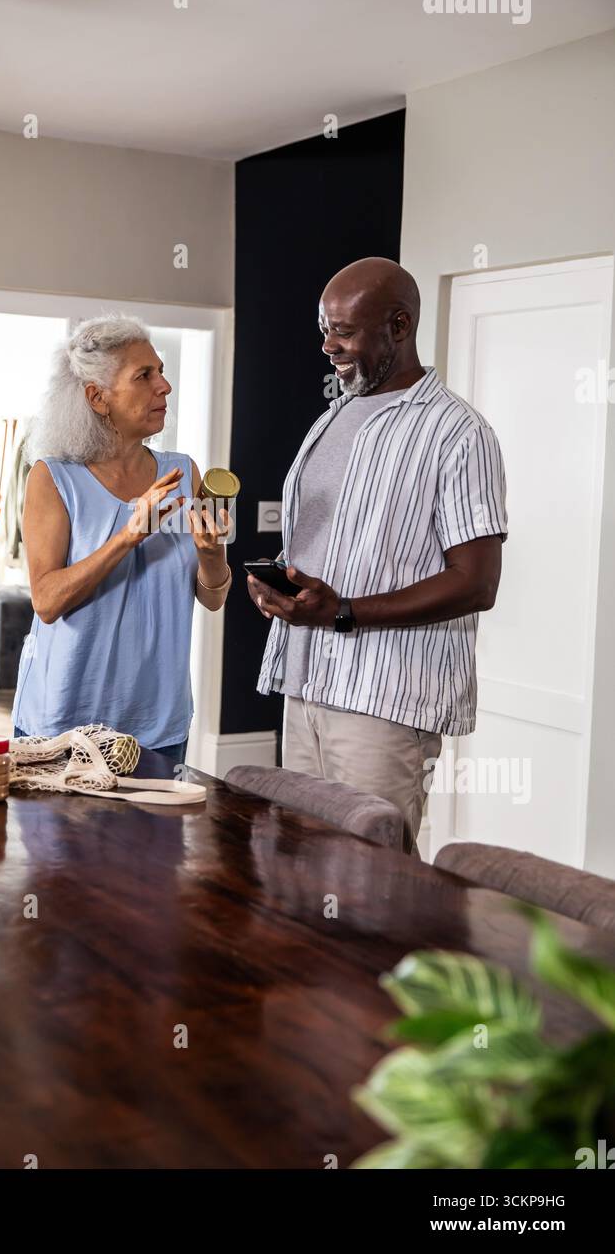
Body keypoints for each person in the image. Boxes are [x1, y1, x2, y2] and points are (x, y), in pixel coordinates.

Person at [248, 257, 508, 854]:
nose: (327, 345)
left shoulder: (458, 433)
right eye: (324, 328)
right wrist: (282, 587)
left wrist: (343, 613)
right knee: (301, 863)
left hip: (384, 700)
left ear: (399, 326)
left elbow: (476, 583)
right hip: (306, 679)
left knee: (370, 879)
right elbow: (326, 544)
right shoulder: (332, 419)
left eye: (344, 330)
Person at [12, 314, 231, 763]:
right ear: (98, 397)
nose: (164, 387)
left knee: (157, 837)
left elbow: (213, 598)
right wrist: (129, 534)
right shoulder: (53, 478)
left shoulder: (185, 471)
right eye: (144, 376)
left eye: (162, 371)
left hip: (158, 722)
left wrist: (212, 554)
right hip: (65, 722)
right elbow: (47, 601)